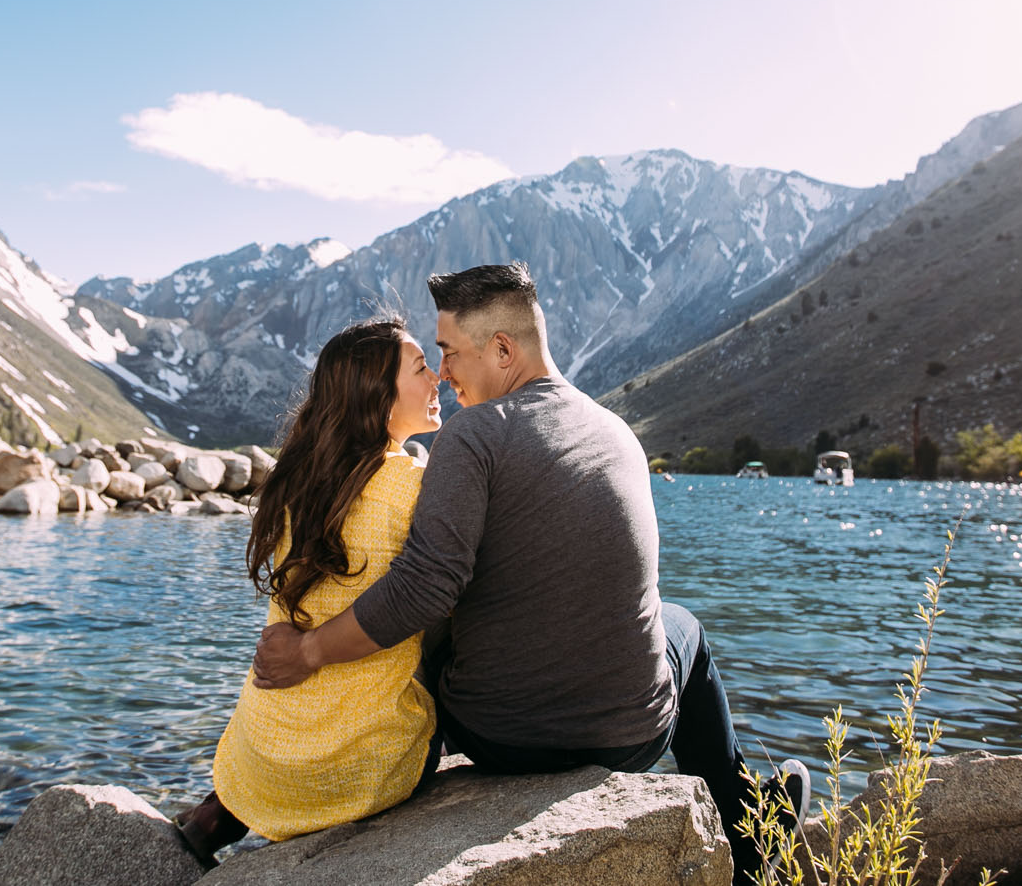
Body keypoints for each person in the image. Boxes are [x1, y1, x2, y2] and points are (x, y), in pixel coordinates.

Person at [250, 262, 808, 882]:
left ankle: (304, 779)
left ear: (504, 349)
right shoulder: (618, 431)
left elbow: (426, 586)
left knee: (428, 639)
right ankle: (751, 832)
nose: (444, 374)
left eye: (450, 354)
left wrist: (308, 651)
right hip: (632, 739)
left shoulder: (472, 438)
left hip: (500, 740)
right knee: (683, 626)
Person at [175, 318, 446, 862]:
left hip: (263, 755)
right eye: (420, 368)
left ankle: (218, 812)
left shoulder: (302, 478)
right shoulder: (413, 488)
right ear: (379, 397)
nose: (437, 376)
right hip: (354, 769)